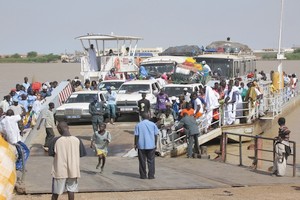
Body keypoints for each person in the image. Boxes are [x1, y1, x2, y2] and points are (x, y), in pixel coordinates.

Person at [48, 121, 87, 200]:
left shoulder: (55, 140)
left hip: (60, 170)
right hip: (73, 170)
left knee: (56, 192)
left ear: (59, 129)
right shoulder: (77, 140)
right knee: (71, 191)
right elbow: (81, 154)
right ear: (68, 127)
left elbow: (51, 153)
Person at [134, 112, 159, 179]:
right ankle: (151, 175)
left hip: (141, 146)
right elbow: (156, 135)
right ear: (148, 117)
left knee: (142, 161)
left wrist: (135, 144)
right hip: (151, 145)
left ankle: (143, 175)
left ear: (141, 117)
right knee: (151, 161)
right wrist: (155, 144)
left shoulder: (138, 125)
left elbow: (136, 136)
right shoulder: (153, 124)